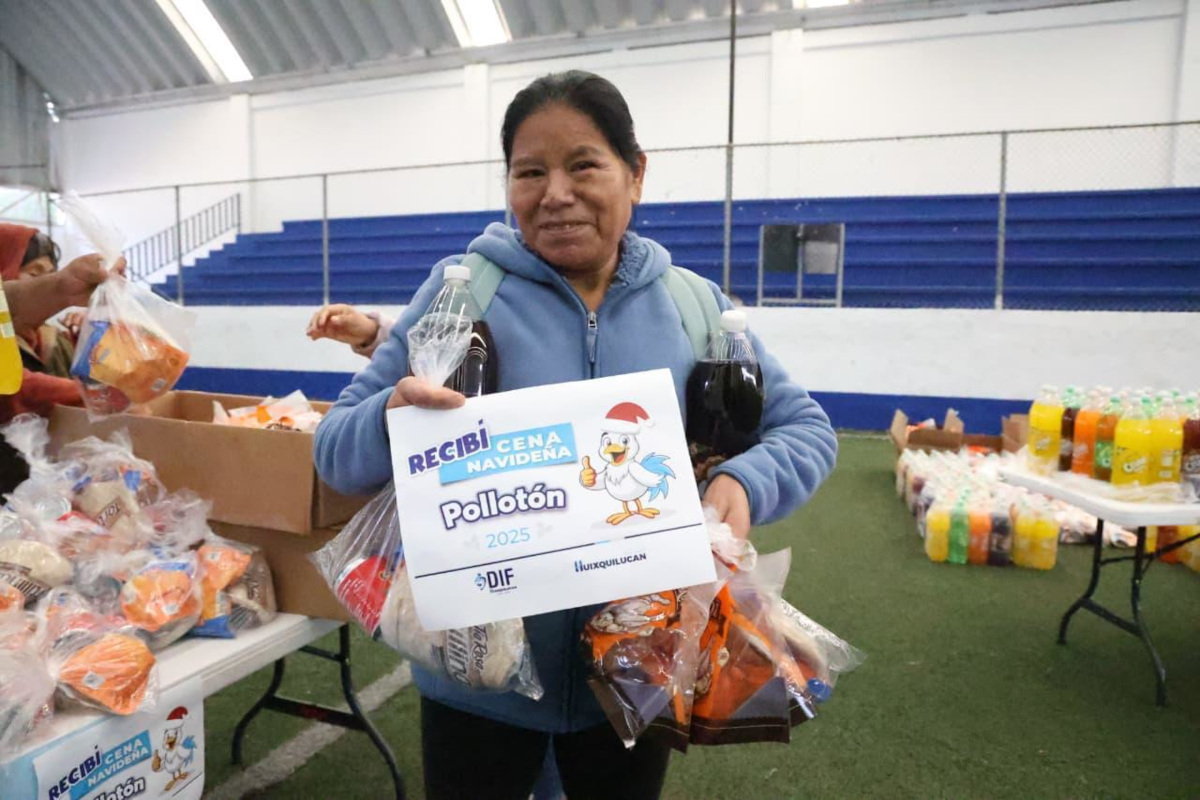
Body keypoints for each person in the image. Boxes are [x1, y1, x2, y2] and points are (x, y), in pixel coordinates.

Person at [314, 71, 837, 800]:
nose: (555, 193)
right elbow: (334, 451)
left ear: (636, 174)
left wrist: (743, 481)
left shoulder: (694, 308)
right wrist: (390, 416)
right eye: (530, 172)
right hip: (477, 682)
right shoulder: (462, 293)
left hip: (634, 675)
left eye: (583, 165)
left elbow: (807, 429)